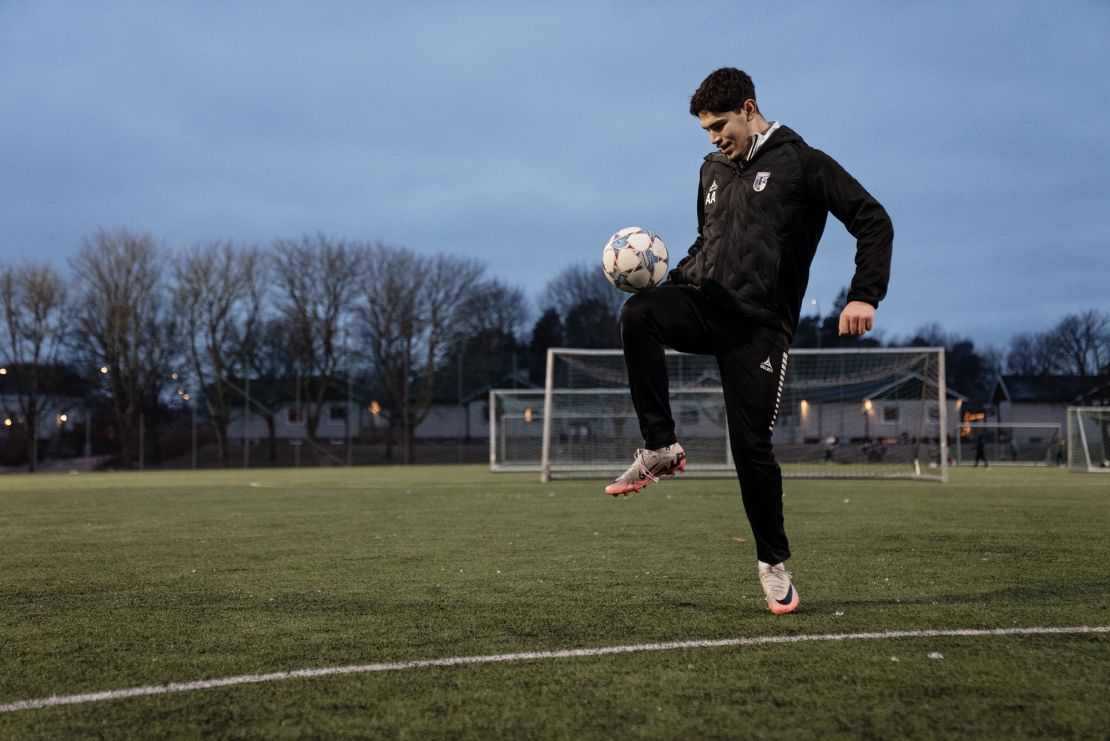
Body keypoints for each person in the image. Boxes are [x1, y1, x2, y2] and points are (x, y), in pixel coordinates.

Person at [604, 68, 893, 615]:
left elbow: (873, 220)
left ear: (749, 108)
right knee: (639, 314)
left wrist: (864, 296)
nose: (715, 137)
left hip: (761, 327)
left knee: (751, 450)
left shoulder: (804, 164)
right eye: (707, 130)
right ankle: (661, 446)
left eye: (720, 125)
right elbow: (709, 240)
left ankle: (772, 564)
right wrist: (674, 275)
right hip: (708, 304)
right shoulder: (711, 168)